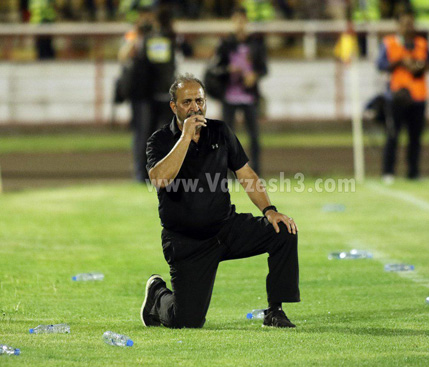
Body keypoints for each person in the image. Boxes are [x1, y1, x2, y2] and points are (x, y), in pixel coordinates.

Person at [141, 74, 300, 329]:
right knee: (187, 321)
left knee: (283, 231)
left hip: (226, 228)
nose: (195, 107)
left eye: (200, 101)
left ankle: (275, 311)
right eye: (187, 102)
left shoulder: (220, 131)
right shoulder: (159, 140)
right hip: (187, 242)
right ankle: (158, 294)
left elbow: (246, 173)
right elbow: (159, 179)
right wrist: (185, 137)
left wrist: (270, 210)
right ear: (174, 106)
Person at [119, 4, 189, 182]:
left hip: (154, 92)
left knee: (157, 133)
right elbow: (123, 55)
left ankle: (156, 172)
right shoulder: (135, 34)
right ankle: (140, 173)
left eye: (149, 15)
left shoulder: (163, 37)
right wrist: (137, 38)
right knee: (142, 134)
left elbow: (167, 62)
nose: (146, 19)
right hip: (141, 93)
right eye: (143, 15)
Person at [377, 9, 429, 183]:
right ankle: (388, 172)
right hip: (397, 96)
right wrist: (401, 62)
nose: (408, 27)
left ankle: (413, 172)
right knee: (393, 135)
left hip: (418, 96)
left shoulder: (422, 43)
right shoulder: (390, 42)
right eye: (405, 23)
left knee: (415, 138)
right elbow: (381, 65)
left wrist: (421, 66)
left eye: (411, 23)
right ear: (398, 25)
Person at [212, 7, 267, 175]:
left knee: (254, 136)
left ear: (246, 22)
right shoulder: (225, 43)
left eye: (242, 20)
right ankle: (228, 172)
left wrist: (254, 76)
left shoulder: (256, 43)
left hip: (249, 95)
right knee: (227, 137)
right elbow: (215, 68)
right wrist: (229, 69)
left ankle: (256, 171)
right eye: (236, 20)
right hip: (229, 95)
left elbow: (264, 68)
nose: (240, 24)